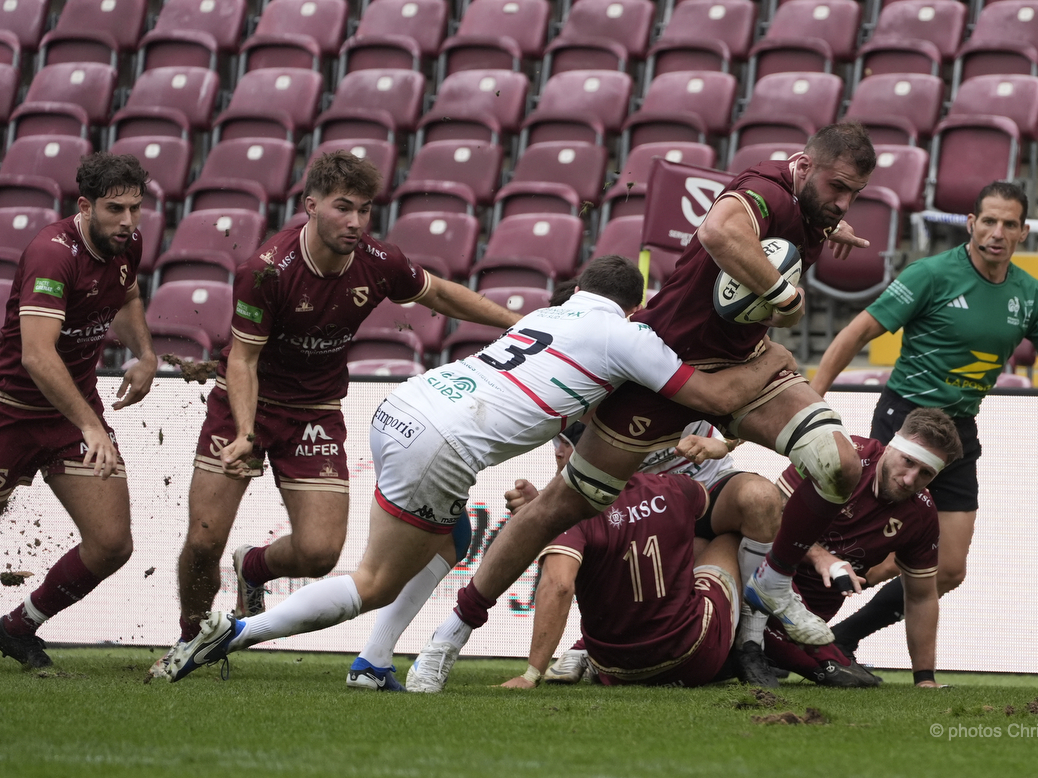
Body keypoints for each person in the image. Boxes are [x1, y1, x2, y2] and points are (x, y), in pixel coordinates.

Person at [165, 255, 796, 682]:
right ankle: (232, 632)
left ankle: (375, 662)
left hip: (404, 406)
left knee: (453, 535)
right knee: (374, 581)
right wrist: (774, 362)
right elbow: (712, 400)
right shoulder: (626, 337)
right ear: (632, 308)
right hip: (442, 442)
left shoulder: (549, 315)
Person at [410, 122, 879, 692]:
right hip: (662, 370)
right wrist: (786, 297)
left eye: (854, 193)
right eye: (837, 187)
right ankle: (452, 632)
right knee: (558, 508)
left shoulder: (808, 206)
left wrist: (829, 216)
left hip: (744, 365)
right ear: (803, 165)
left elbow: (804, 214)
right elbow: (719, 233)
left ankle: (773, 584)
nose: (843, 201)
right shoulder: (767, 189)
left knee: (840, 464)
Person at [152, 151, 523, 675]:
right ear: (311, 206)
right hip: (246, 403)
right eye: (343, 208)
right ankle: (192, 634)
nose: (355, 223)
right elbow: (243, 360)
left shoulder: (379, 261)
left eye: (365, 211)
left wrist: (518, 323)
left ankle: (253, 567)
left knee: (321, 554)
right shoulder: (266, 270)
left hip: (315, 412)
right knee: (203, 539)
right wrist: (242, 432)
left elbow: (438, 293)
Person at [808, 180, 1038, 663]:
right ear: (972, 224)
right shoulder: (930, 274)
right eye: (989, 221)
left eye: (1009, 224)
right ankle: (790, 628)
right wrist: (813, 398)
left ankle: (841, 638)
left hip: (958, 435)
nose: (997, 232)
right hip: (906, 423)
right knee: (863, 547)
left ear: (1023, 232)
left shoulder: (1030, 294)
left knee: (950, 569)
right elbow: (858, 331)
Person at [0, 153, 157, 668]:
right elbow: (36, 355)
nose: (129, 222)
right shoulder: (52, 253)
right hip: (11, 411)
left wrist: (145, 353)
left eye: (136, 208)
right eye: (116, 209)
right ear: (85, 205)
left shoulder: (126, 243)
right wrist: (92, 425)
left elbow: (128, 294)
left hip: (68, 415)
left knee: (112, 544)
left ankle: (18, 627)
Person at [500, 422, 743, 689]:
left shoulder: (568, 513)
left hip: (615, 670)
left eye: (567, 445)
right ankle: (751, 640)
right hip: (693, 661)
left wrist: (531, 675)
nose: (558, 453)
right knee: (728, 539)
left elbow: (558, 586)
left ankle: (582, 651)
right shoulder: (677, 487)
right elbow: (702, 503)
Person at [763, 408, 961, 689]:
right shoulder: (843, 456)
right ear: (892, 445)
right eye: (908, 461)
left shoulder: (921, 514)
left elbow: (921, 597)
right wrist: (823, 558)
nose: (909, 479)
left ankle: (784, 652)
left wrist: (925, 679)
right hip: (761, 585)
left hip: (808, 622)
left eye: (925, 473)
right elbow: (768, 515)